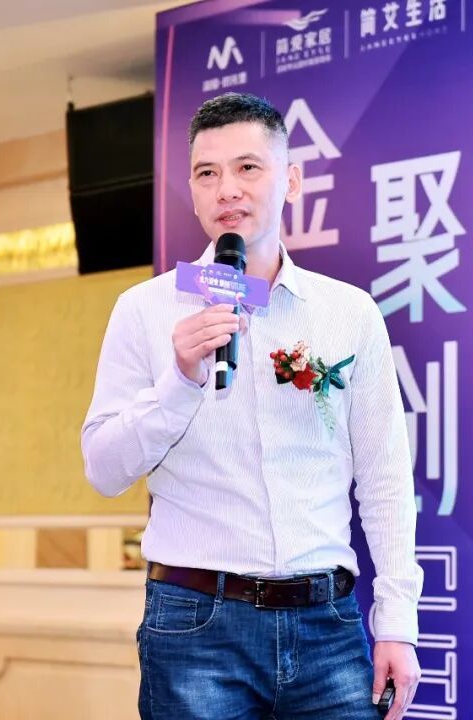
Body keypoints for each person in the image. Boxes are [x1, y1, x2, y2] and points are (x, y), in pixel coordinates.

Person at [82, 92, 423, 720]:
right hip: (195, 626)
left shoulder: (348, 312)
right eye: (206, 173)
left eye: (247, 168)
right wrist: (180, 381)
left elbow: (384, 478)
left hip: (327, 625)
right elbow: (103, 470)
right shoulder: (146, 310)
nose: (227, 190)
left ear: (290, 180)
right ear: (191, 191)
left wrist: (397, 623)